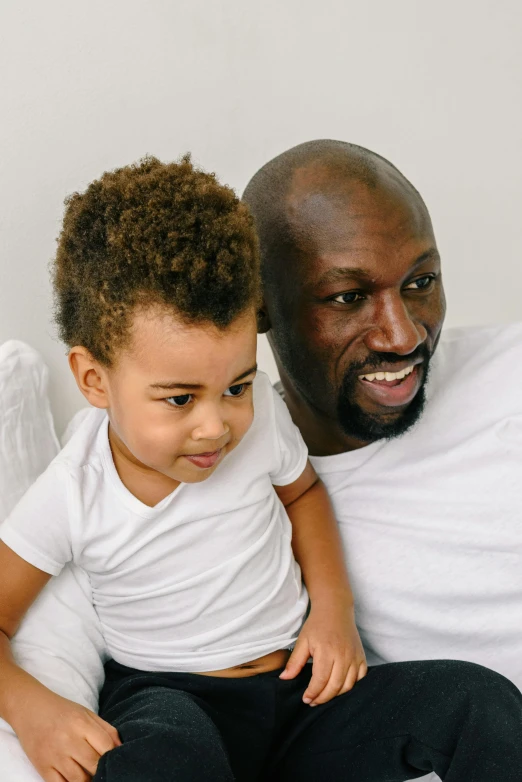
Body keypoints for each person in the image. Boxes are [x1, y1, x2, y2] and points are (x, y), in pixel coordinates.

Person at [0, 154, 521, 782]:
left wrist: (332, 613)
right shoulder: (73, 491)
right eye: (179, 398)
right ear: (93, 378)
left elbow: (303, 497)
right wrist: (36, 713)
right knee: (161, 761)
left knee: (477, 702)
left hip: (299, 694)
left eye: (239, 385)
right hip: (177, 700)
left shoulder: (260, 425)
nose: (216, 425)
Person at [243, 139, 522, 694]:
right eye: (348, 297)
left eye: (420, 283)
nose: (404, 336)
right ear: (258, 305)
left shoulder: (508, 368)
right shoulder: (237, 483)